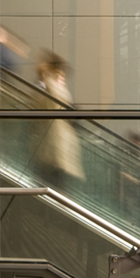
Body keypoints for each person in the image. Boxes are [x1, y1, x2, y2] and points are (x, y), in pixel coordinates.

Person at [31, 51, 85, 190]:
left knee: (52, 190)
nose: (63, 79)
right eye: (61, 76)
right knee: (55, 190)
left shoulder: (54, 90)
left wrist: (46, 73)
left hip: (54, 153)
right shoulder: (55, 91)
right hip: (55, 153)